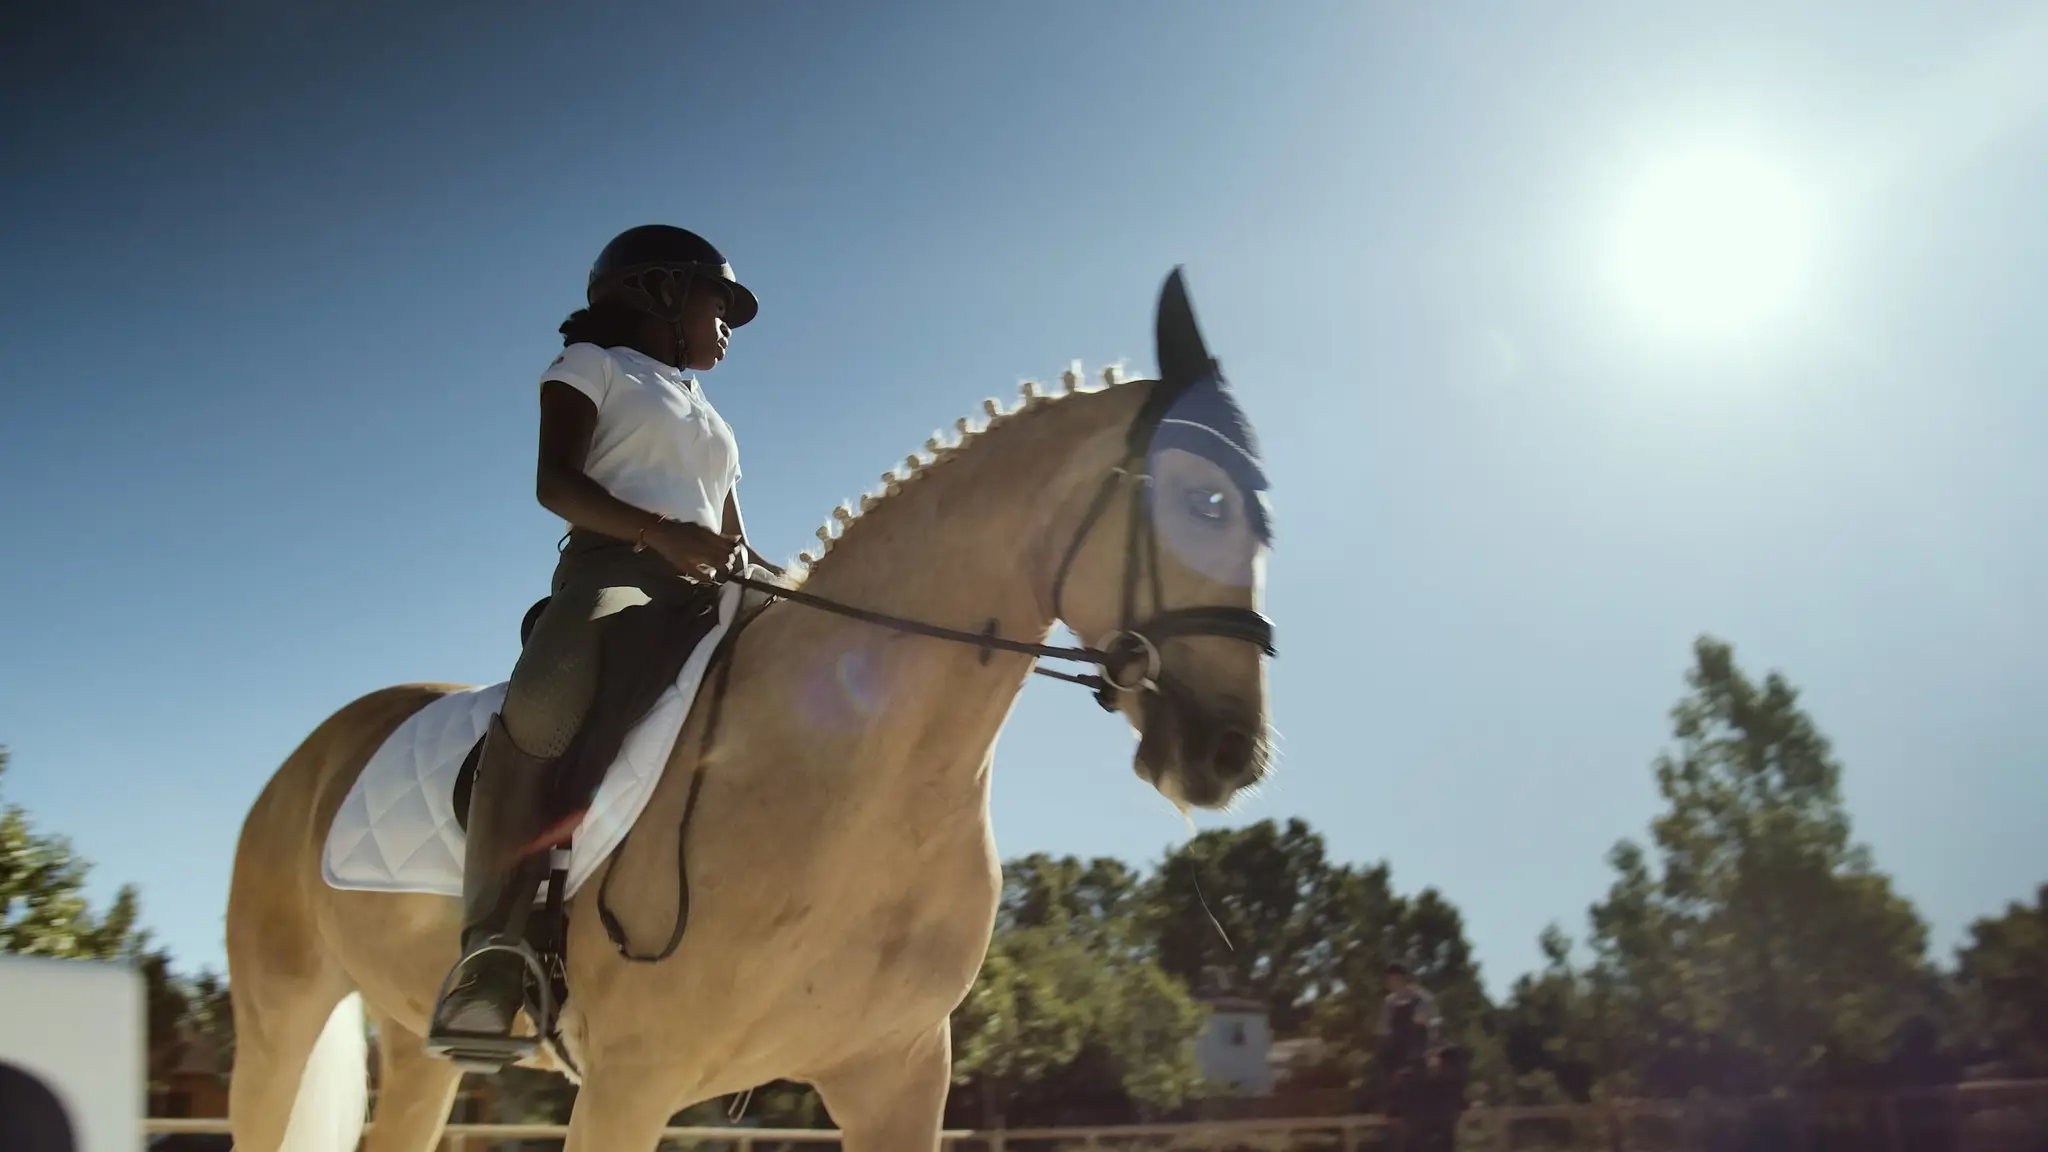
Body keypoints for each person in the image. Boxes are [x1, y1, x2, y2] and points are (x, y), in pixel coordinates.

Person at [427, 224, 779, 1065]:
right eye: (716, 301)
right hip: (616, 572)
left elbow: (734, 535)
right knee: (545, 701)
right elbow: (556, 484)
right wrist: (659, 536)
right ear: (658, 292)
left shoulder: (713, 420)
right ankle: (491, 951)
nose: (726, 322)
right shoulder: (591, 368)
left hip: (708, 582)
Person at [1380, 961, 1447, 1148]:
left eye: (1395, 979)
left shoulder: (1421, 998)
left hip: (1421, 1044)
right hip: (1399, 1047)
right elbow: (1384, 1028)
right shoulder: (1390, 1002)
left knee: (1439, 1067)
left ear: (1402, 978)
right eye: (1389, 980)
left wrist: (1432, 1050)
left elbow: (1432, 1024)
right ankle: (1391, 1104)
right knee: (1383, 1061)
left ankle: (1449, 1108)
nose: (1392, 983)